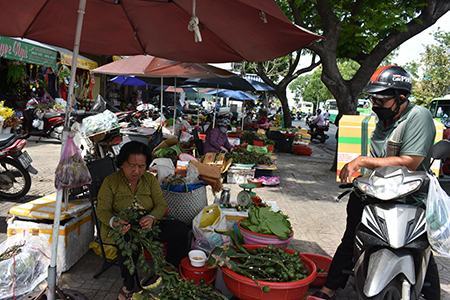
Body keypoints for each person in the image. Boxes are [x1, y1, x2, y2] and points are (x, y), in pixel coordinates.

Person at [312, 65, 440, 300]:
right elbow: (379, 157)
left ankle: (430, 294)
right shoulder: (383, 121)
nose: (375, 105)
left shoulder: (418, 116)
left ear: (401, 98)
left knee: (419, 246)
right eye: (373, 99)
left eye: (381, 99)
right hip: (374, 193)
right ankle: (330, 288)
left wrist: (362, 161)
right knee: (351, 237)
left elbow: (410, 162)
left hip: (410, 199)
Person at [96, 141, 190, 299]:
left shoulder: (149, 180)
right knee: (128, 243)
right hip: (123, 226)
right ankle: (129, 285)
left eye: (141, 166)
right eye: (131, 165)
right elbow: (102, 210)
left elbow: (161, 204)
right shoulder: (111, 182)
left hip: (148, 223)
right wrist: (114, 222)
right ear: (122, 163)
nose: (136, 171)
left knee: (181, 230)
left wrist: (152, 217)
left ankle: (167, 271)